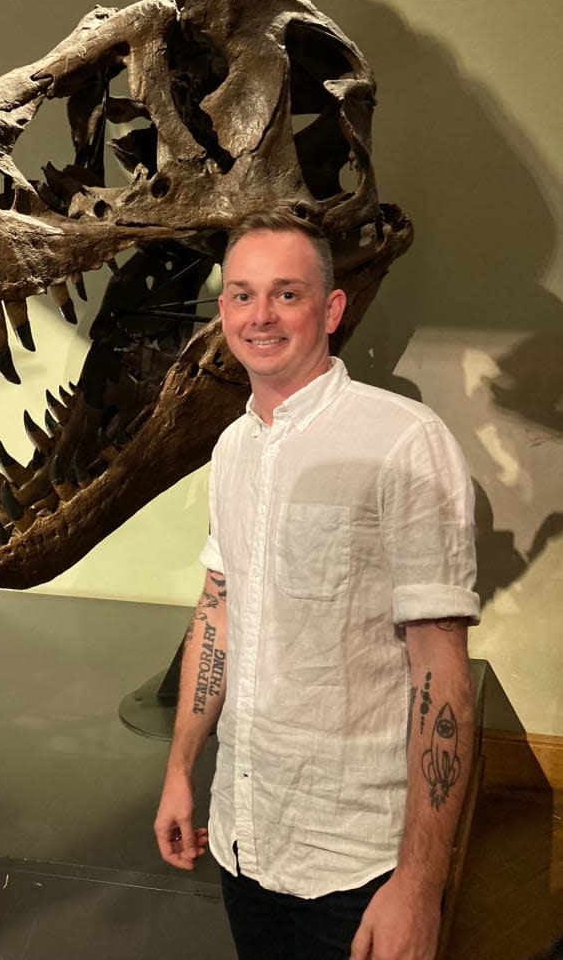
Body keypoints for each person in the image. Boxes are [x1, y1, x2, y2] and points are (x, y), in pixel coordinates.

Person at [153, 209, 480, 960]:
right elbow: (217, 612)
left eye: (285, 294)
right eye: (240, 295)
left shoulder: (403, 440)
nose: (258, 315)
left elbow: (441, 668)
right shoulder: (233, 446)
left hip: (356, 861)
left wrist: (420, 885)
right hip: (244, 835)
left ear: (330, 309)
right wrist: (179, 770)